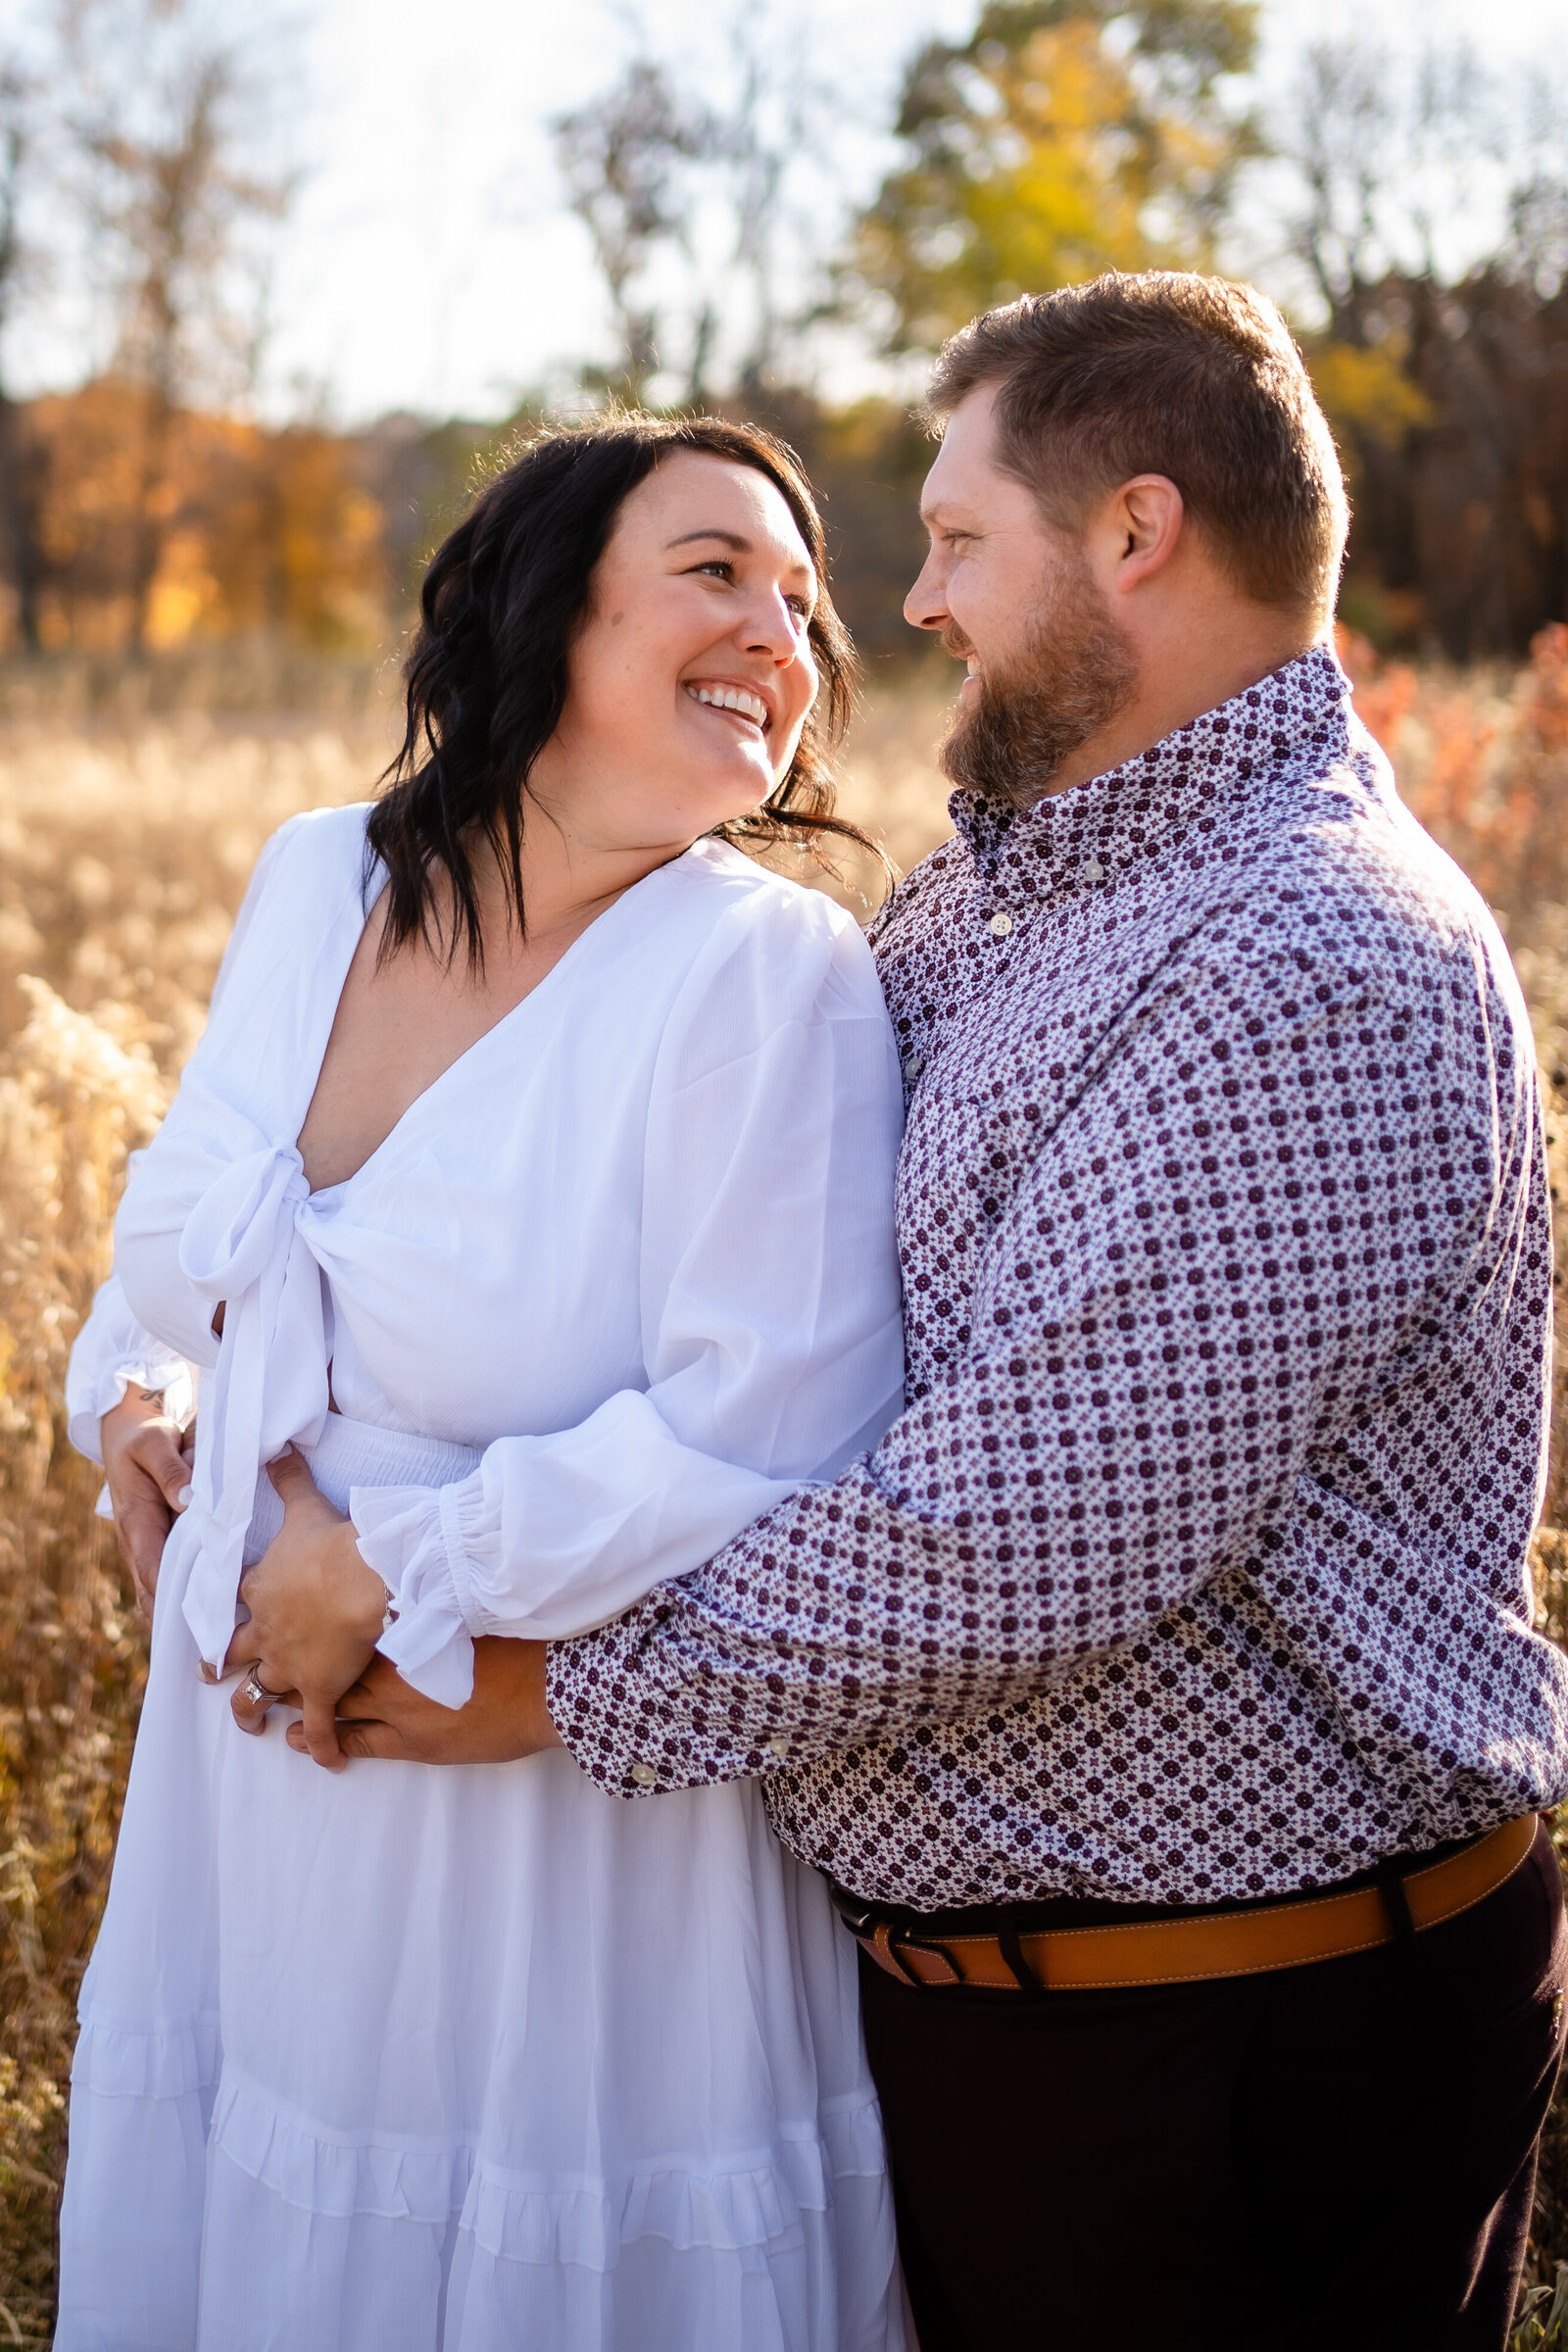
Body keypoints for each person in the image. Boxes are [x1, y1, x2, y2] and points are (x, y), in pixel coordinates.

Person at [327, 274, 1568, 2352]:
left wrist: (520, 1681)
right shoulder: (993, 895)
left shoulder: (1308, 953)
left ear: (1134, 536)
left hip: (1246, 2046)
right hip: (1007, 2028)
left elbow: (1015, 1540)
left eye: (956, 537)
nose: (905, 604)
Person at [57, 416, 912, 2351]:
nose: (779, 630)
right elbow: (177, 1241)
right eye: (716, 570)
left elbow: (771, 1422)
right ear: (548, 605)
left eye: (801, 597)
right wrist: (133, 1398)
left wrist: (385, 1569)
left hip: (549, 1857)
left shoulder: (758, 978)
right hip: (258, 1836)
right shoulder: (312, 879)